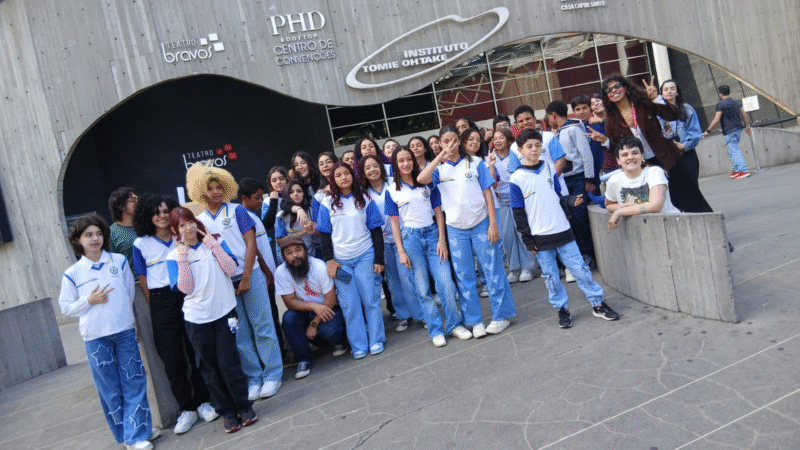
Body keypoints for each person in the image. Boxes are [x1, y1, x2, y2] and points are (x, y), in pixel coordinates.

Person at [186, 161, 283, 402]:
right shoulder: (200, 222)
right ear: (201, 192)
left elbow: (251, 244)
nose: (215, 192)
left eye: (219, 187)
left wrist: (247, 276)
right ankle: (254, 378)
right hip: (225, 283)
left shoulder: (237, 211)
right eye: (210, 188)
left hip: (250, 276)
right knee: (239, 333)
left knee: (263, 327)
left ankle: (273, 374)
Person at [59, 214, 158, 450]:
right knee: (110, 390)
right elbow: (66, 308)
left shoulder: (119, 262)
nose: (95, 239)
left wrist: (128, 322)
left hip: (124, 333)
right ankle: (129, 435)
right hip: (96, 338)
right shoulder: (72, 273)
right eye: (88, 235)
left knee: (134, 381)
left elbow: (128, 294)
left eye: (98, 234)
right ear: (78, 240)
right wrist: (89, 301)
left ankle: (137, 432)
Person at [509, 130, 619, 328]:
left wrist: (570, 201)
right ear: (520, 150)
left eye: (537, 145)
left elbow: (557, 197)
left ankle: (598, 303)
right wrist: (527, 239)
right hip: (540, 236)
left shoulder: (549, 168)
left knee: (581, 270)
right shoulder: (516, 178)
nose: (534, 150)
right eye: (529, 146)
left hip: (563, 230)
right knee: (551, 277)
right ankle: (561, 309)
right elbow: (518, 212)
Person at [418, 125, 517, 337]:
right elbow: (421, 179)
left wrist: (493, 223)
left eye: (454, 140)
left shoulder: (475, 162)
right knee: (464, 276)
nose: (451, 145)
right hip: (456, 229)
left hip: (481, 223)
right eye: (446, 141)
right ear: (439, 144)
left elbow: (488, 193)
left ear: (460, 141)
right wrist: (440, 157)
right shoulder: (439, 170)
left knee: (493, 270)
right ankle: (475, 321)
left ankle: (502, 316)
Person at [166, 207, 256, 434]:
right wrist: (183, 257)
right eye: (182, 225)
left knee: (229, 363)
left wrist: (213, 245)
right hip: (197, 319)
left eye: (190, 222)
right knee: (209, 368)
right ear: (175, 230)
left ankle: (244, 407)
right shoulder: (173, 257)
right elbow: (186, 289)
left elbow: (232, 269)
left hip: (225, 312)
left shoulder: (215, 242)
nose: (188, 228)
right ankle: (227, 412)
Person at [132, 194, 217, 435]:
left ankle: (203, 401)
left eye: (166, 211)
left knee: (196, 349)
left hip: (188, 295)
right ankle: (186, 408)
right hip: (161, 301)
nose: (161, 216)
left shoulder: (182, 235)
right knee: (172, 357)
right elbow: (143, 279)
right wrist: (157, 306)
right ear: (147, 215)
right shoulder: (140, 244)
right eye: (156, 212)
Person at [385, 147, 467, 347]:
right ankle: (436, 330)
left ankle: (455, 325)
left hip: (432, 236)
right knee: (422, 289)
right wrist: (401, 251)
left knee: (445, 283)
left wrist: (441, 240)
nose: (406, 164)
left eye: (408, 159)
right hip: (410, 239)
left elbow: (438, 212)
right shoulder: (391, 190)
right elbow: (394, 223)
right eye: (401, 161)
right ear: (395, 165)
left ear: (413, 161)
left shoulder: (427, 182)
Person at [316, 162, 387, 359]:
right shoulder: (327, 203)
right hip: (341, 263)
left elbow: (375, 230)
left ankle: (376, 340)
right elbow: (324, 235)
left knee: (370, 300)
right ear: (333, 180)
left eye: (346, 173)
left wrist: (379, 258)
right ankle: (358, 345)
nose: (343, 178)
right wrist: (330, 260)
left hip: (365, 256)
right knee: (350, 304)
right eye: (338, 175)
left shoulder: (365, 198)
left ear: (352, 175)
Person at [360, 154, 424, 332]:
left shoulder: (394, 183)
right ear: (363, 173)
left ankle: (421, 314)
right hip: (382, 243)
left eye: (375, 166)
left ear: (381, 167)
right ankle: (403, 315)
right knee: (393, 281)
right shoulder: (363, 193)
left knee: (408, 278)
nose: (372, 170)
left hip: (402, 238)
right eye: (367, 168)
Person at [275, 235, 348, 379]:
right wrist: (314, 307)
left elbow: (331, 299)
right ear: (283, 257)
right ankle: (303, 360)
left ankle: (340, 341)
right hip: (306, 310)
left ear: (305, 250)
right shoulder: (281, 272)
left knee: (331, 332)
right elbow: (289, 302)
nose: (295, 255)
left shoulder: (319, 266)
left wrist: (314, 324)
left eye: (298, 250)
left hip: (329, 308)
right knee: (288, 318)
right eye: (289, 253)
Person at [545, 100, 597, 268]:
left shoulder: (573, 129)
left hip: (579, 178)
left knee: (580, 217)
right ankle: (578, 255)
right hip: (563, 180)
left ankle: (589, 254)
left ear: (553, 115)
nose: (548, 120)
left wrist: (589, 179)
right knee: (570, 218)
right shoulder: (554, 134)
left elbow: (586, 155)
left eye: (548, 117)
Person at [238, 178, 285, 362]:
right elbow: (254, 249)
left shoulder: (253, 215)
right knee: (269, 317)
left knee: (272, 314)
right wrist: (267, 273)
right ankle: (279, 356)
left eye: (260, 197)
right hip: (263, 275)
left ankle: (280, 353)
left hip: (267, 273)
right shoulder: (244, 216)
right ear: (244, 198)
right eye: (256, 198)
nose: (259, 201)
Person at [656, 80, 714, 212]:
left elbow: (695, 132)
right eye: (666, 89)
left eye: (672, 88)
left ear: (677, 92)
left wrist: (683, 145)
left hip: (686, 154)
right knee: (673, 190)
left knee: (691, 188)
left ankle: (698, 214)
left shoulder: (686, 109)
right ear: (661, 94)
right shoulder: (658, 112)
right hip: (668, 157)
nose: (669, 91)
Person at [492, 128, 537, 283]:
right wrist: (490, 165)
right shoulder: (490, 157)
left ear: (508, 139)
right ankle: (514, 268)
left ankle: (528, 267)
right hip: (501, 200)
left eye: (501, 137)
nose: (498, 141)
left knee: (521, 232)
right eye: (495, 138)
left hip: (517, 197)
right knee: (507, 236)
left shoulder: (516, 154)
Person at [605, 137, 680, 231]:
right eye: (624, 155)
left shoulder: (654, 172)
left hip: (670, 226)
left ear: (642, 156)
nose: (630, 157)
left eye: (635, 153)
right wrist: (619, 207)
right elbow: (609, 204)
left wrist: (619, 212)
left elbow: (655, 206)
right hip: (640, 231)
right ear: (618, 160)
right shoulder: (614, 180)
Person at [703, 84, 752, 179]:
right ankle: (736, 170)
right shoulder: (737, 102)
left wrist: (708, 130)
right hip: (738, 129)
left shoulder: (721, 104)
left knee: (734, 151)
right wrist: (747, 126)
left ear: (720, 93)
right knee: (732, 151)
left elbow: (716, 119)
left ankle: (744, 170)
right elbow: (744, 115)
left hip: (729, 131)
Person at [275, 179, 318, 257]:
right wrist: (301, 232)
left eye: (299, 191)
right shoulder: (281, 215)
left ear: (303, 194)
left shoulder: (311, 210)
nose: (296, 194)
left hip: (312, 255)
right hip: (293, 258)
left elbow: (319, 234)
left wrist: (313, 231)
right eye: (291, 192)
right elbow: (279, 241)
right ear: (287, 195)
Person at [571, 94, 604, 191]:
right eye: (578, 109)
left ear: (590, 108)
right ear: (573, 111)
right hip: (578, 176)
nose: (581, 112)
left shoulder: (597, 126)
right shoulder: (571, 130)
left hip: (596, 172)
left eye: (584, 108)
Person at [262, 166, 290, 264]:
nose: (278, 182)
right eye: (274, 180)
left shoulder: (295, 194)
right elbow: (267, 225)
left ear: (287, 179)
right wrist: (273, 201)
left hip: (301, 237)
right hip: (282, 241)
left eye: (281, 179)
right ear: (270, 184)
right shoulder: (267, 201)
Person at [108, 187, 139, 269]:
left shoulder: (146, 225)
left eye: (138, 200)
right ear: (121, 205)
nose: (138, 203)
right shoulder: (111, 233)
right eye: (133, 201)